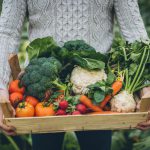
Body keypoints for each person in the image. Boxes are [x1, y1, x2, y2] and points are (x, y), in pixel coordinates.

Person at [0, 0, 149, 150]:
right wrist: (0, 88)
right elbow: (6, 31)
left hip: (99, 92)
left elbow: (134, 31)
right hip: (43, 92)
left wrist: (147, 87)